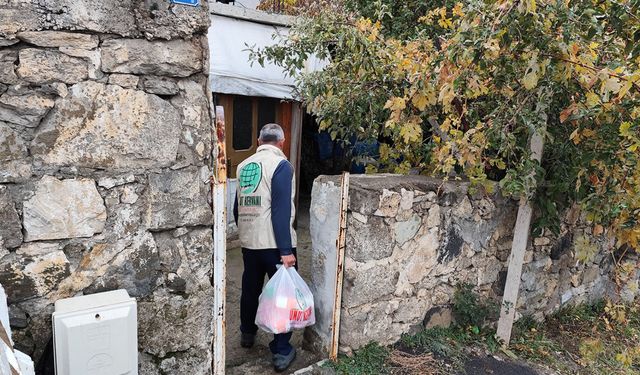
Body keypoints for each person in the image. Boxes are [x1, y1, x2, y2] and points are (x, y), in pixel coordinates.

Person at [233, 123, 298, 372]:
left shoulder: (243, 166)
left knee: (250, 288)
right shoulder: (281, 166)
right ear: (281, 143)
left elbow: (238, 208)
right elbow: (280, 212)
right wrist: (285, 250)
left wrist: (246, 234)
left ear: (259, 141)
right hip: (275, 244)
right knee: (282, 296)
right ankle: (281, 350)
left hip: (250, 242)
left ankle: (247, 334)